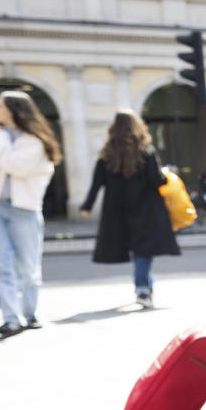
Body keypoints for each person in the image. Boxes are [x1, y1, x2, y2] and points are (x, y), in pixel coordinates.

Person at [0, 91, 60, 337]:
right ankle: (11, 318)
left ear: (12, 109)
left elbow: (15, 166)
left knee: (27, 266)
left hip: (25, 208)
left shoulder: (34, 140)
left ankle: (30, 313)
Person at [79, 110, 180, 308]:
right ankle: (142, 288)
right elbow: (157, 179)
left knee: (137, 250)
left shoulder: (107, 154)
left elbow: (96, 183)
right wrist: (167, 174)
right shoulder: (145, 151)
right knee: (143, 250)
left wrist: (87, 206)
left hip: (117, 210)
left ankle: (145, 285)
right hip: (145, 208)